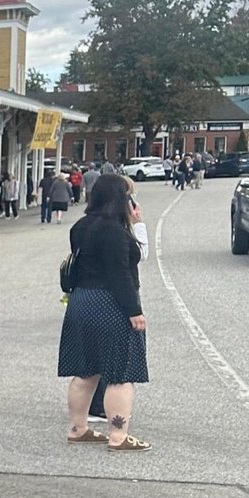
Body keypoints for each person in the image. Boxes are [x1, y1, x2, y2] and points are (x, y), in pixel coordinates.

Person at [60, 171, 148, 453]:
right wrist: (134, 311)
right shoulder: (116, 232)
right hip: (109, 304)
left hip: (80, 301)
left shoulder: (81, 226)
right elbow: (119, 274)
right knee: (120, 373)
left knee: (86, 371)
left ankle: (78, 428)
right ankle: (118, 435)